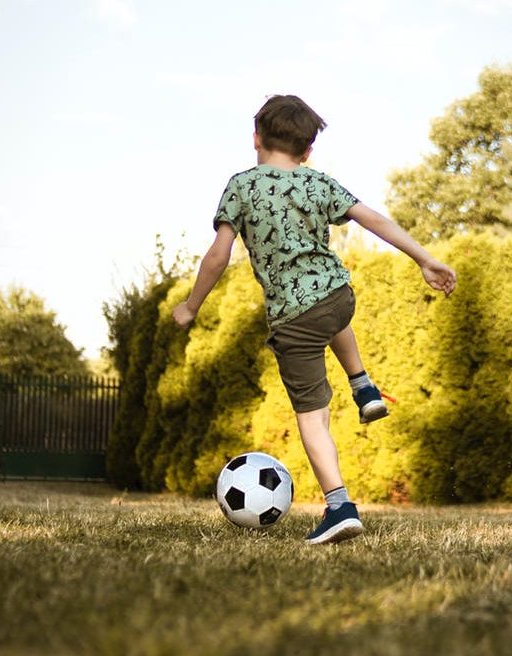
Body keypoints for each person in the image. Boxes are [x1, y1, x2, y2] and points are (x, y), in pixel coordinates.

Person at [172, 94, 457, 545]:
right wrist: (425, 259)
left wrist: (191, 306)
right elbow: (375, 221)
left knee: (312, 419)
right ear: (308, 151)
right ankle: (362, 385)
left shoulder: (242, 186)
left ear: (255, 139)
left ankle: (339, 505)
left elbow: (217, 255)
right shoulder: (317, 183)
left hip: (293, 320)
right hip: (339, 297)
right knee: (329, 309)